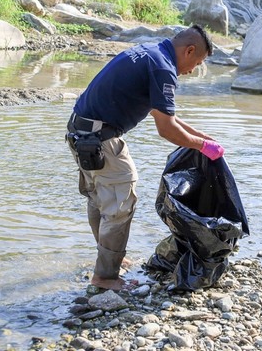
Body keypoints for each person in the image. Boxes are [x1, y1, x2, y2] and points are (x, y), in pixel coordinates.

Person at [66, 24, 224, 291]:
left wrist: (201, 137)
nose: (192, 70)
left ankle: (108, 261)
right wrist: (202, 147)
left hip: (81, 134)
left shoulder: (149, 52)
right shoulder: (164, 69)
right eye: (197, 63)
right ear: (189, 50)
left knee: (100, 199)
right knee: (121, 202)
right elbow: (166, 129)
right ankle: (105, 277)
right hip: (100, 140)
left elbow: (163, 114)